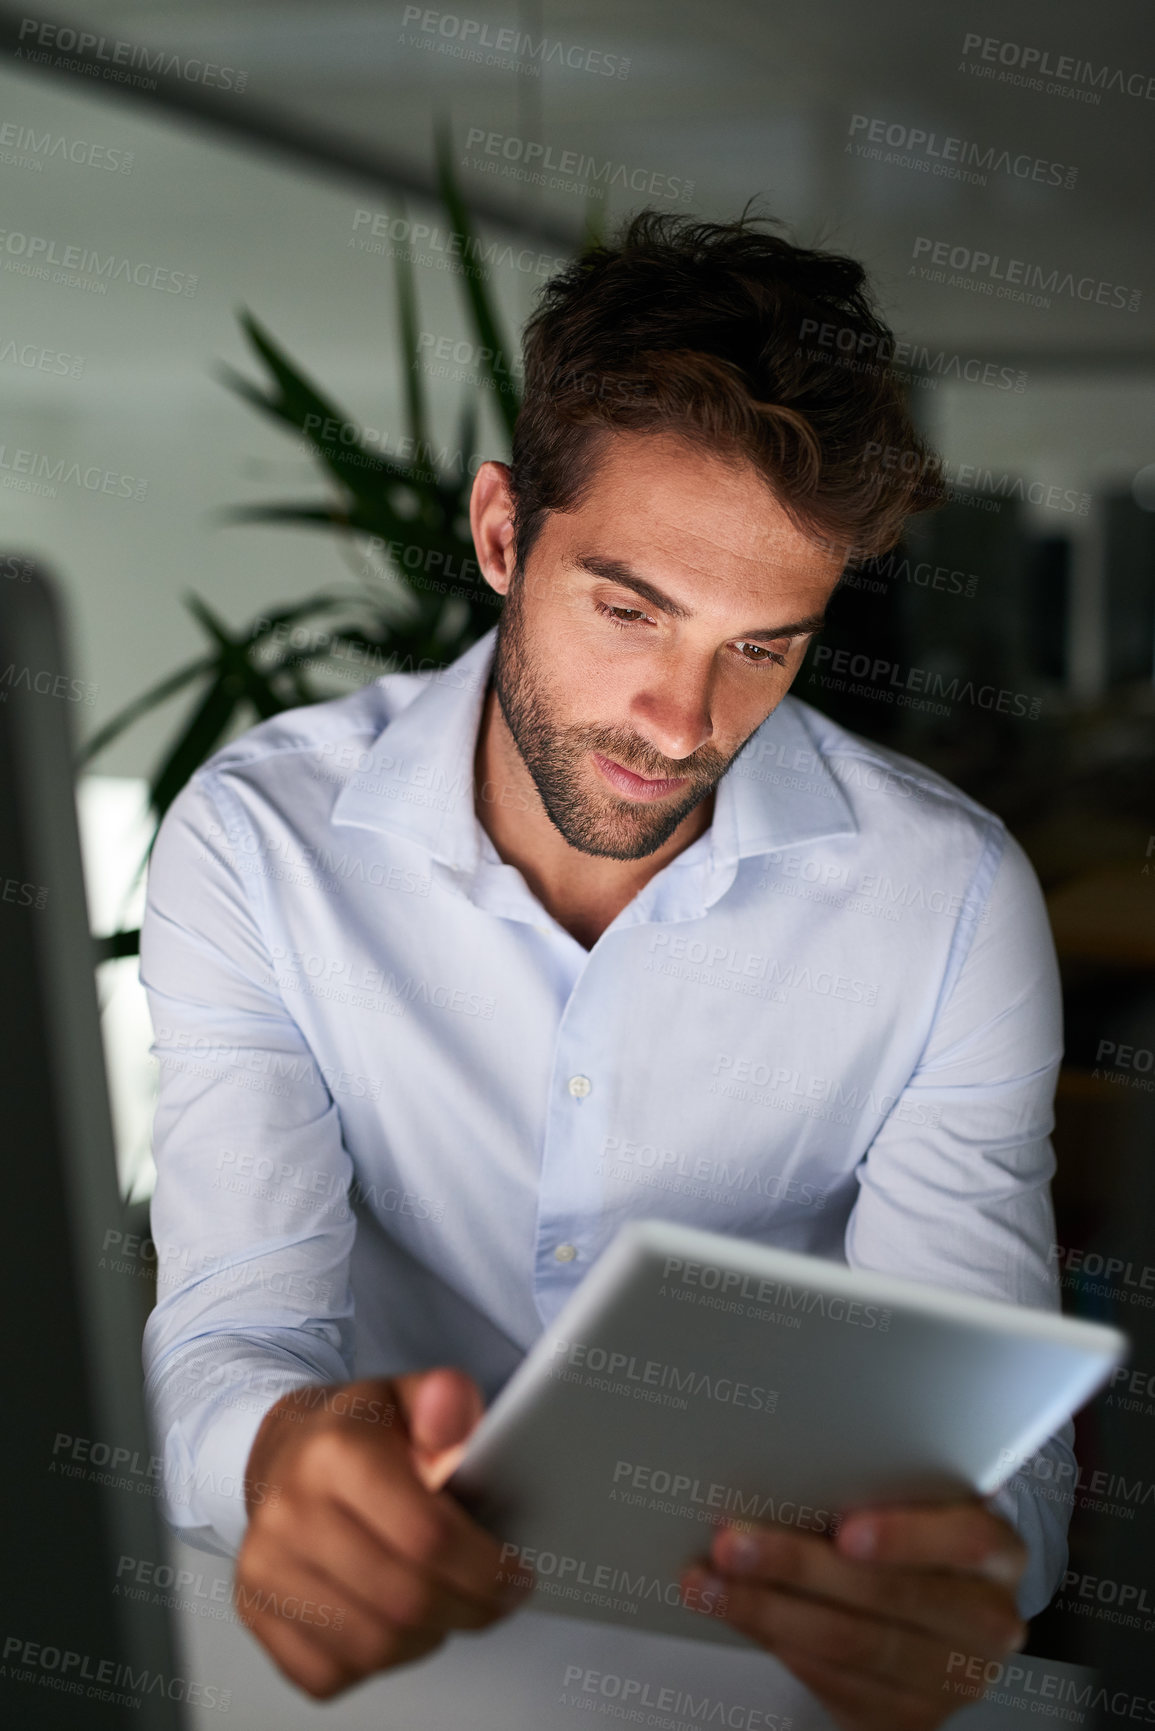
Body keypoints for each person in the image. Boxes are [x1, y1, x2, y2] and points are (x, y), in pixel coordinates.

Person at [140, 211, 1073, 1730]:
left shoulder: (947, 902)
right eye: (628, 609)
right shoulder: (261, 844)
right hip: (376, 1674)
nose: (680, 721)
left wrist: (962, 1561)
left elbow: (993, 1440)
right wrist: (272, 1454)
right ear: (503, 534)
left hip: (747, 1668)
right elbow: (234, 1335)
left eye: (762, 647)